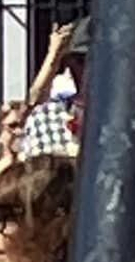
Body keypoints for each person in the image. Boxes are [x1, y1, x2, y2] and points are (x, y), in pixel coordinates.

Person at [18, 19, 86, 160]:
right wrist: (53, 55)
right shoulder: (48, 115)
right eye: (81, 61)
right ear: (68, 63)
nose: (88, 69)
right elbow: (28, 107)